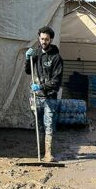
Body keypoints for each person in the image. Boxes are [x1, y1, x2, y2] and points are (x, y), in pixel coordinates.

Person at [24, 26, 63, 162]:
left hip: (50, 96)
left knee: (49, 124)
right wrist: (27, 59)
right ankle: (39, 151)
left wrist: (40, 86)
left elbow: (56, 81)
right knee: (38, 124)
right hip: (36, 96)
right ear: (39, 39)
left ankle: (48, 153)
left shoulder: (56, 58)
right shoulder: (36, 54)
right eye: (42, 39)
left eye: (46, 39)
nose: (44, 41)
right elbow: (29, 71)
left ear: (51, 39)